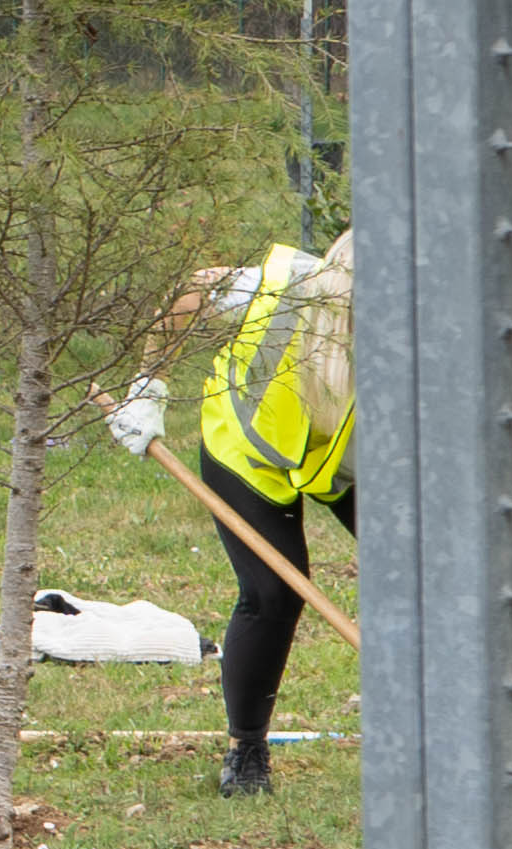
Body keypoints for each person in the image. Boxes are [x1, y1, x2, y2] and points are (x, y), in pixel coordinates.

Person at [119, 233, 354, 797]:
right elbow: (196, 291)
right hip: (246, 448)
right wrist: (147, 386)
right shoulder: (286, 290)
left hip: (345, 461)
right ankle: (246, 749)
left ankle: (441, 731)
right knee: (272, 594)